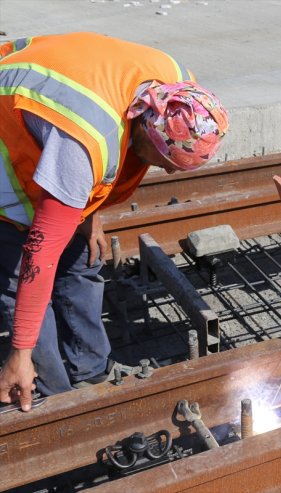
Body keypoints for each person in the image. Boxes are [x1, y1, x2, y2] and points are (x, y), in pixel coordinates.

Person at [0, 32, 229, 411]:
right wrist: (18, 352)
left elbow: (106, 152)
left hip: (58, 119)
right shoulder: (85, 144)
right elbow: (39, 259)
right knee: (21, 275)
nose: (171, 174)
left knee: (82, 257)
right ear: (144, 137)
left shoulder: (176, 86)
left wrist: (90, 212)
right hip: (8, 140)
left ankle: (90, 371)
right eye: (167, 163)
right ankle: (52, 399)